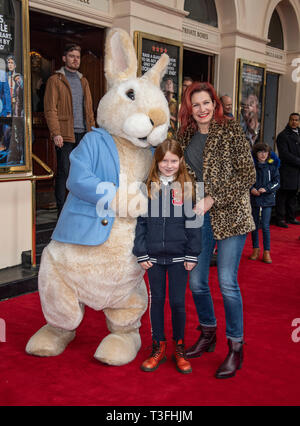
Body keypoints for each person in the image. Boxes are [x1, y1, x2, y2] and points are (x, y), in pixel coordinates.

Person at [177, 81, 256, 379]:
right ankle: (208, 333)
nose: (202, 109)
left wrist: (213, 197)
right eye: (196, 104)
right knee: (196, 280)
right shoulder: (184, 134)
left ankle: (236, 347)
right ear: (189, 108)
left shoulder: (231, 130)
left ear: (214, 103)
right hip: (198, 215)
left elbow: (247, 173)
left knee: (226, 281)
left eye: (206, 102)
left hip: (231, 215)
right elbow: (180, 171)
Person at [133, 139, 202, 374]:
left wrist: (193, 254)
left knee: (177, 302)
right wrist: (140, 252)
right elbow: (140, 223)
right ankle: (158, 346)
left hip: (179, 258)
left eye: (174, 160)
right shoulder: (146, 187)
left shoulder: (188, 186)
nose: (169, 165)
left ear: (180, 161)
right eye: (164, 160)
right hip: (152, 257)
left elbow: (194, 224)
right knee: (157, 302)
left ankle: (179, 348)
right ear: (157, 161)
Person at [44, 43, 95, 217]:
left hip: (83, 134)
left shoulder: (83, 80)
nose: (75, 60)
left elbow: (89, 110)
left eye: (78, 57)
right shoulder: (55, 80)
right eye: (72, 56)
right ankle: (62, 212)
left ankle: (78, 209)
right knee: (64, 172)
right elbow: (50, 109)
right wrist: (55, 133)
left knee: (82, 173)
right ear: (64, 58)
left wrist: (92, 131)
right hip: (65, 134)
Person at [249, 143, 280, 264]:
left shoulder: (272, 167)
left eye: (265, 152)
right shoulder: (251, 167)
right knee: (255, 226)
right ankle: (255, 249)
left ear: (268, 154)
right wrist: (251, 188)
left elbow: (277, 182)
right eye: (260, 152)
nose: (263, 155)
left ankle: (266, 251)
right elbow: (247, 180)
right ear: (256, 154)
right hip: (255, 199)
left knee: (266, 226)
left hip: (267, 200)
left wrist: (266, 189)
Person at [275, 113, 300, 228]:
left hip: (297, 171)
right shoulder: (283, 135)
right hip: (287, 170)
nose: (294, 122)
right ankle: (280, 218)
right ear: (289, 121)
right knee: (283, 195)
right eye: (292, 120)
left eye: (296, 120)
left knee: (293, 195)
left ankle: (291, 217)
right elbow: (284, 154)